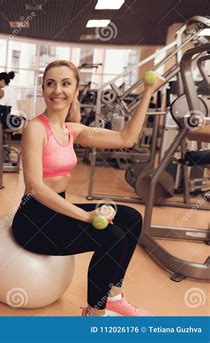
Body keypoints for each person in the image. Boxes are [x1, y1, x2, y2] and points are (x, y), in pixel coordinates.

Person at [11, 60, 165, 316]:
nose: (57, 90)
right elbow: (34, 187)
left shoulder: (72, 130)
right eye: (50, 83)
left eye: (65, 83)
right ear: (43, 89)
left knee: (130, 218)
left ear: (76, 91)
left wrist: (148, 92)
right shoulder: (36, 128)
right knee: (111, 237)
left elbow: (127, 139)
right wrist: (86, 216)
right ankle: (94, 313)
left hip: (57, 212)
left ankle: (113, 295)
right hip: (33, 221)